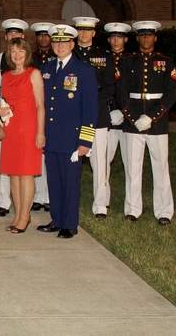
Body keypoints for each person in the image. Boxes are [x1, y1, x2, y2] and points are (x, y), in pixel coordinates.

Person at [36, 24, 97, 239]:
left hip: (72, 138)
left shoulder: (85, 70)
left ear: (72, 44)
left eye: (64, 42)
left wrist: (85, 142)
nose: (59, 46)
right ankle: (57, 219)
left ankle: (70, 224)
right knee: (54, 181)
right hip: (51, 136)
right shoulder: (46, 69)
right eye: (56, 42)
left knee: (70, 182)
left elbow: (90, 109)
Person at [114, 21, 176, 224]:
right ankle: (133, 209)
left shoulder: (166, 61)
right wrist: (133, 118)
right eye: (141, 36)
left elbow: (171, 93)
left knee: (160, 167)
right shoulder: (126, 61)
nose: (145, 39)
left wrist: (152, 117)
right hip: (132, 122)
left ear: (155, 38)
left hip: (157, 122)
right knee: (132, 167)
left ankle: (164, 211)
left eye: (149, 35)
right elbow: (121, 92)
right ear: (137, 38)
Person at [0, 38, 46, 234]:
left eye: (20, 51)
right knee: (13, 174)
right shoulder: (6, 76)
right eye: (13, 51)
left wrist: (40, 133)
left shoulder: (33, 74)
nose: (17, 55)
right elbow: (4, 101)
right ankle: (17, 214)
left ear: (27, 53)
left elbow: (40, 106)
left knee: (25, 174)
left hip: (28, 128)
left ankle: (25, 216)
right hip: (10, 128)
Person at [71, 16, 116, 221]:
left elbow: (109, 87)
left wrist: (91, 105)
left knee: (100, 162)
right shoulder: (69, 55)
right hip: (74, 118)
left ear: (94, 33)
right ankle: (71, 199)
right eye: (80, 30)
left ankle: (100, 205)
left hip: (97, 117)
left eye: (88, 31)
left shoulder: (104, 56)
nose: (84, 34)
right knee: (73, 161)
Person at [0, 18, 28, 218]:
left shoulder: (30, 62)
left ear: (23, 37)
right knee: (3, 160)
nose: (13, 37)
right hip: (4, 117)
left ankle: (31, 199)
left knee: (25, 161)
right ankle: (3, 202)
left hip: (24, 118)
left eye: (17, 34)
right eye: (10, 34)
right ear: (5, 37)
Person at [99, 21, 132, 218]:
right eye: (112, 37)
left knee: (131, 165)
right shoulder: (102, 59)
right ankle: (103, 202)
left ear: (126, 39)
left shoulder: (132, 59)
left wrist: (124, 111)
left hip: (128, 120)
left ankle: (131, 206)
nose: (116, 41)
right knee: (103, 163)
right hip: (108, 117)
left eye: (119, 37)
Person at [28, 21, 55, 213]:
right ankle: (39, 196)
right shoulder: (32, 59)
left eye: (47, 35)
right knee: (38, 155)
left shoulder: (57, 57)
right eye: (40, 36)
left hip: (54, 113)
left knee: (51, 156)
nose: (43, 38)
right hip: (35, 112)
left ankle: (49, 196)